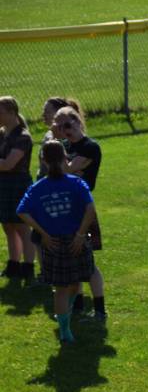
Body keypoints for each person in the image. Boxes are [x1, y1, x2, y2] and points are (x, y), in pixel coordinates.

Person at [17, 140, 96, 344]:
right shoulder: (76, 183)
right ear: (65, 158)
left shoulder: (37, 188)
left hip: (52, 242)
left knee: (63, 287)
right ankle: (65, 327)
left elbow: (22, 212)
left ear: (43, 160)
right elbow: (90, 210)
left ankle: (64, 325)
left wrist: (42, 233)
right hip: (74, 241)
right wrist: (80, 235)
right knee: (73, 284)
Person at [52, 105, 107, 321]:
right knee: (71, 259)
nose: (65, 130)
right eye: (60, 125)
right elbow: (54, 169)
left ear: (78, 122)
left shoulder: (90, 147)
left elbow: (63, 170)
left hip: (82, 208)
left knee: (88, 261)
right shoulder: (64, 146)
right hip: (65, 207)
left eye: (68, 124)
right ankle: (77, 307)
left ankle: (100, 310)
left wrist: (63, 161)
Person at [0, 96, 36, 281]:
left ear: (12, 113)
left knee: (22, 226)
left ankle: (28, 266)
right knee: (7, 225)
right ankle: (13, 264)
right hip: (3, 184)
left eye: (1, 112)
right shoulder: (1, 133)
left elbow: (8, 164)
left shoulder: (22, 136)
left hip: (17, 183)